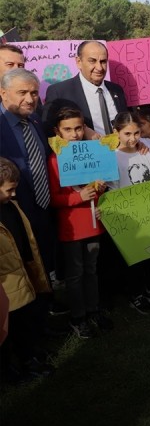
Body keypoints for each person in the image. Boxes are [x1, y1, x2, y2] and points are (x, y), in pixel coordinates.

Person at [47, 107, 111, 338]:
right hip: (72, 228)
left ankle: (93, 310)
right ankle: (78, 317)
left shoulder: (94, 153)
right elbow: (53, 198)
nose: (74, 134)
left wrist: (100, 189)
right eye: (67, 130)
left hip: (93, 222)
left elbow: (101, 187)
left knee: (91, 269)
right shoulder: (54, 160)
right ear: (57, 132)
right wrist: (78, 197)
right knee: (75, 274)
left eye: (78, 128)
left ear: (84, 128)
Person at [110, 112, 150, 314]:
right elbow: (113, 189)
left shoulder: (146, 153)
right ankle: (136, 293)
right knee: (134, 257)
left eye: (137, 133)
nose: (133, 138)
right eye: (127, 134)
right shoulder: (113, 157)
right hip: (128, 216)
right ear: (116, 132)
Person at [0, 157, 54, 382]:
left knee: (24, 322)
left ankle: (29, 356)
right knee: (7, 330)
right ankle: (11, 370)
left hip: (21, 274)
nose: (13, 194)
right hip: (6, 284)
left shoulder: (11, 206)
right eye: (9, 190)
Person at [0, 69, 54, 275]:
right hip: (11, 211)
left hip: (42, 208)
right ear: (3, 93)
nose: (30, 99)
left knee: (43, 261)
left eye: (34, 93)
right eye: (22, 93)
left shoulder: (35, 121)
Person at [43, 41, 128, 137]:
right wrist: (81, 132)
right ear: (79, 62)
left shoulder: (117, 90)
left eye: (103, 61)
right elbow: (48, 131)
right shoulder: (59, 92)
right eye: (92, 61)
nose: (99, 68)